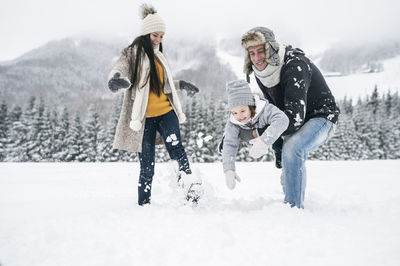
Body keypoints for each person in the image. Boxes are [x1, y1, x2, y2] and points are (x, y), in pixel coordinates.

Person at [107, 4, 201, 205]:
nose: (158, 40)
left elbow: (162, 85)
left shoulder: (159, 55)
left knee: (177, 151)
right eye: (155, 35)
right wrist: (115, 78)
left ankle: (190, 193)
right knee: (147, 164)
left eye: (161, 36)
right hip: (144, 119)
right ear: (145, 33)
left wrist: (181, 84)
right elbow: (120, 68)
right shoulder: (131, 54)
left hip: (167, 113)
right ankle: (144, 203)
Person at [241, 27, 340, 208]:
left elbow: (293, 119)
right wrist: (278, 150)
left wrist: (258, 134)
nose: (257, 58)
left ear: (271, 48)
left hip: (322, 117)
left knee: (293, 148)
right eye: (252, 53)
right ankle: (290, 197)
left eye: (261, 51)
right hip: (295, 119)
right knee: (287, 152)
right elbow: (276, 112)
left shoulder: (294, 65)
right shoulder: (262, 72)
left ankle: (293, 209)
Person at [222, 80, 289, 189]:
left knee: (287, 157)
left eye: (242, 111)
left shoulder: (265, 110)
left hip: (280, 139)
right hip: (252, 144)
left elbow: (282, 120)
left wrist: (264, 141)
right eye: (234, 112)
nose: (239, 116)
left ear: (251, 106)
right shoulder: (233, 123)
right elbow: (230, 144)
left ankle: (287, 184)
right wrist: (229, 169)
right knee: (229, 139)